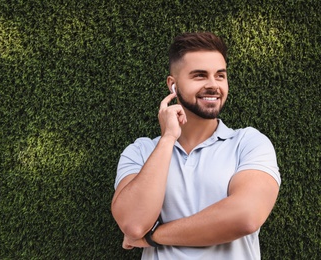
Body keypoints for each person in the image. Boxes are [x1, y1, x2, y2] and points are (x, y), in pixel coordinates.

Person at [111, 32, 281, 259]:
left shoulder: (248, 143)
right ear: (173, 85)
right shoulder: (140, 151)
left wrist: (153, 236)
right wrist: (167, 139)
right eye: (199, 76)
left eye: (220, 76)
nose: (213, 85)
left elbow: (246, 216)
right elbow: (133, 224)